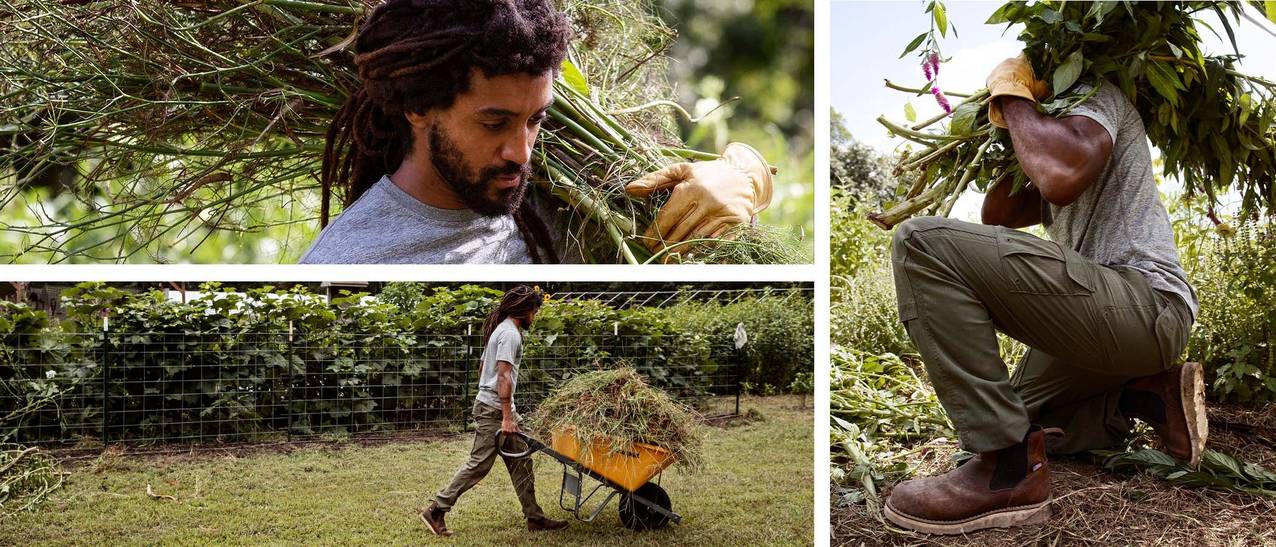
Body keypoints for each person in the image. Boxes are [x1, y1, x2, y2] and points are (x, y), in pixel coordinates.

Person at [882, 55, 1205, 534]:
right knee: (1021, 414)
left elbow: (1058, 174)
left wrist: (1010, 99)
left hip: (1145, 301)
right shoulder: (1053, 129)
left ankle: (1006, 472)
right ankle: (1145, 395)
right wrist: (1010, 132)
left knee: (920, 243)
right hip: (1104, 325)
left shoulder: (1095, 93)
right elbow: (999, 214)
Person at [300, 0, 773, 264]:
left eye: (536, 119)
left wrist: (742, 177)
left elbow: (731, 192)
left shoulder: (566, 193)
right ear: (418, 107)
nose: (522, 152)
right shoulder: (351, 257)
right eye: (494, 123)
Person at [419, 285, 566, 536]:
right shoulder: (509, 334)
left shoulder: (503, 329)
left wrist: (508, 411)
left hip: (498, 406)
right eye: (535, 311)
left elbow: (482, 367)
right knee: (479, 464)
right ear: (526, 310)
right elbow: (503, 375)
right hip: (494, 410)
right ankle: (436, 510)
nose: (536, 316)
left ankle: (535, 518)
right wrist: (506, 416)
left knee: (522, 461)